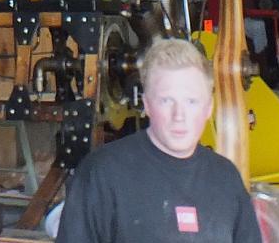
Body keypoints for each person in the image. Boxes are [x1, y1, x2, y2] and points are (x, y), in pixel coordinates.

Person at [54, 37, 263, 243]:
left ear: (209, 108)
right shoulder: (102, 173)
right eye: (166, 100)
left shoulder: (226, 179)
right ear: (146, 105)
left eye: (191, 101)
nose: (179, 115)